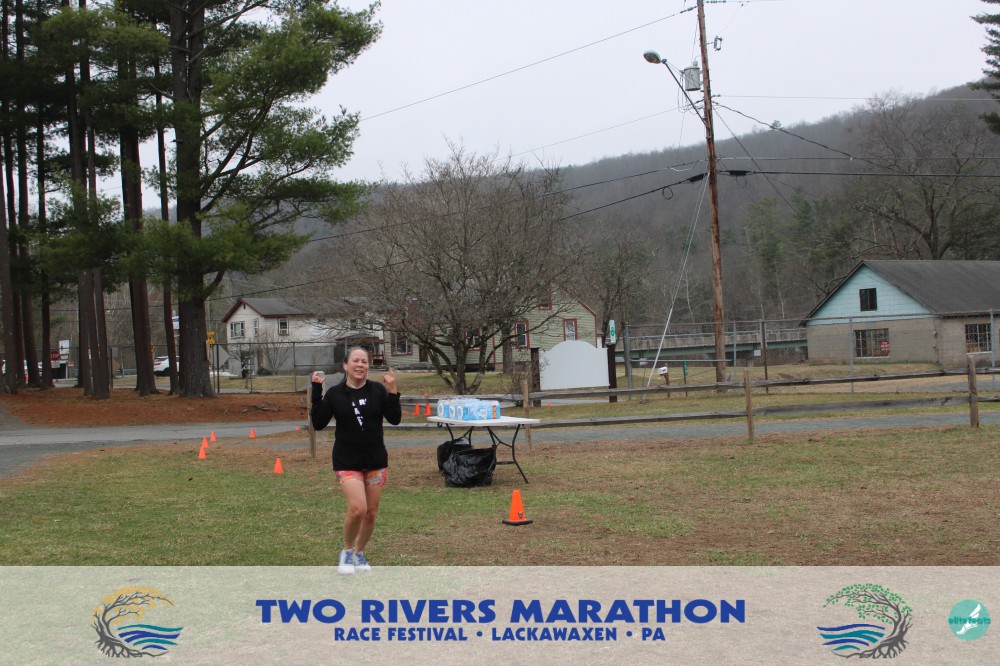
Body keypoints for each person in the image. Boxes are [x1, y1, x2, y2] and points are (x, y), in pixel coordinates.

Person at [310, 347, 401, 574]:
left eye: (364, 361)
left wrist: (392, 391)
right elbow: (319, 423)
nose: (360, 365)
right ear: (345, 365)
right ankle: (347, 551)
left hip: (375, 460)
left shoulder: (377, 390)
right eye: (356, 361)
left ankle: (359, 553)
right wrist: (316, 391)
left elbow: (395, 419)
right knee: (358, 509)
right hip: (346, 460)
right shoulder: (335, 394)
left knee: (371, 513)